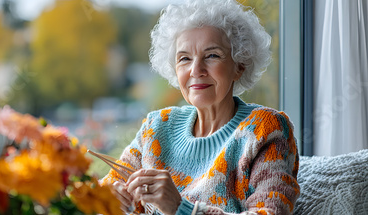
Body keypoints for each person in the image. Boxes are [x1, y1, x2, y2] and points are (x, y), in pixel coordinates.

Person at [101, 0, 300, 214]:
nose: (196, 70)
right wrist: (108, 200)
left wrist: (180, 208)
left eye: (212, 55)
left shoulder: (266, 130)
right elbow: (102, 194)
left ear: (239, 65)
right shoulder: (156, 128)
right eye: (184, 58)